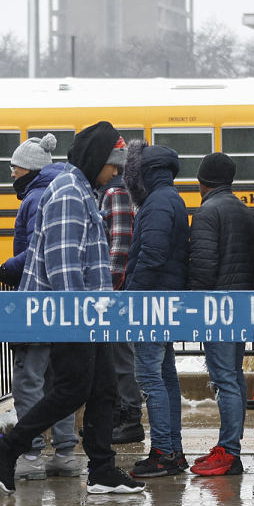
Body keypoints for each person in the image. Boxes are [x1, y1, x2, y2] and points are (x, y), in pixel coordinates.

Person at [0, 121, 144, 496]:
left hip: (90, 314)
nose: (117, 171)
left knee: (104, 391)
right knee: (73, 390)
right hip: (76, 315)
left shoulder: (83, 189)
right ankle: (6, 447)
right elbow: (63, 263)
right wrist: (80, 318)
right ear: (94, 159)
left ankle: (102, 470)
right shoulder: (70, 192)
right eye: (112, 163)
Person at [0, 135, 80, 481]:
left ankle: (29, 452)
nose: (12, 176)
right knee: (59, 381)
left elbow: (36, 251)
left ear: (29, 170)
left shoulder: (36, 198)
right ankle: (66, 451)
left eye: (15, 170)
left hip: (36, 303)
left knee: (29, 380)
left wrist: (6, 268)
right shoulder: (60, 191)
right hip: (60, 304)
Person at [185, 151, 254, 476]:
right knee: (235, 376)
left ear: (202, 182)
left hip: (216, 307)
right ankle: (231, 444)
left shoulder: (207, 212)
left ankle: (229, 451)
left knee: (224, 378)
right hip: (241, 304)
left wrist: (192, 307)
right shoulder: (244, 211)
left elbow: (202, 267)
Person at [122, 142, 190, 478]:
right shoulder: (168, 199)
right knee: (165, 375)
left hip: (151, 303)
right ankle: (172, 449)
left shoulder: (157, 203)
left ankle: (164, 451)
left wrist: (131, 296)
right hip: (164, 300)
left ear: (144, 174)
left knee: (150, 376)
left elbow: (152, 254)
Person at [98, 139, 143, 445]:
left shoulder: (115, 192)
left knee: (120, 355)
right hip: (118, 287)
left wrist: (109, 287)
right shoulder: (119, 191)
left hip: (115, 290)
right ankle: (122, 412)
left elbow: (120, 244)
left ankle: (129, 415)